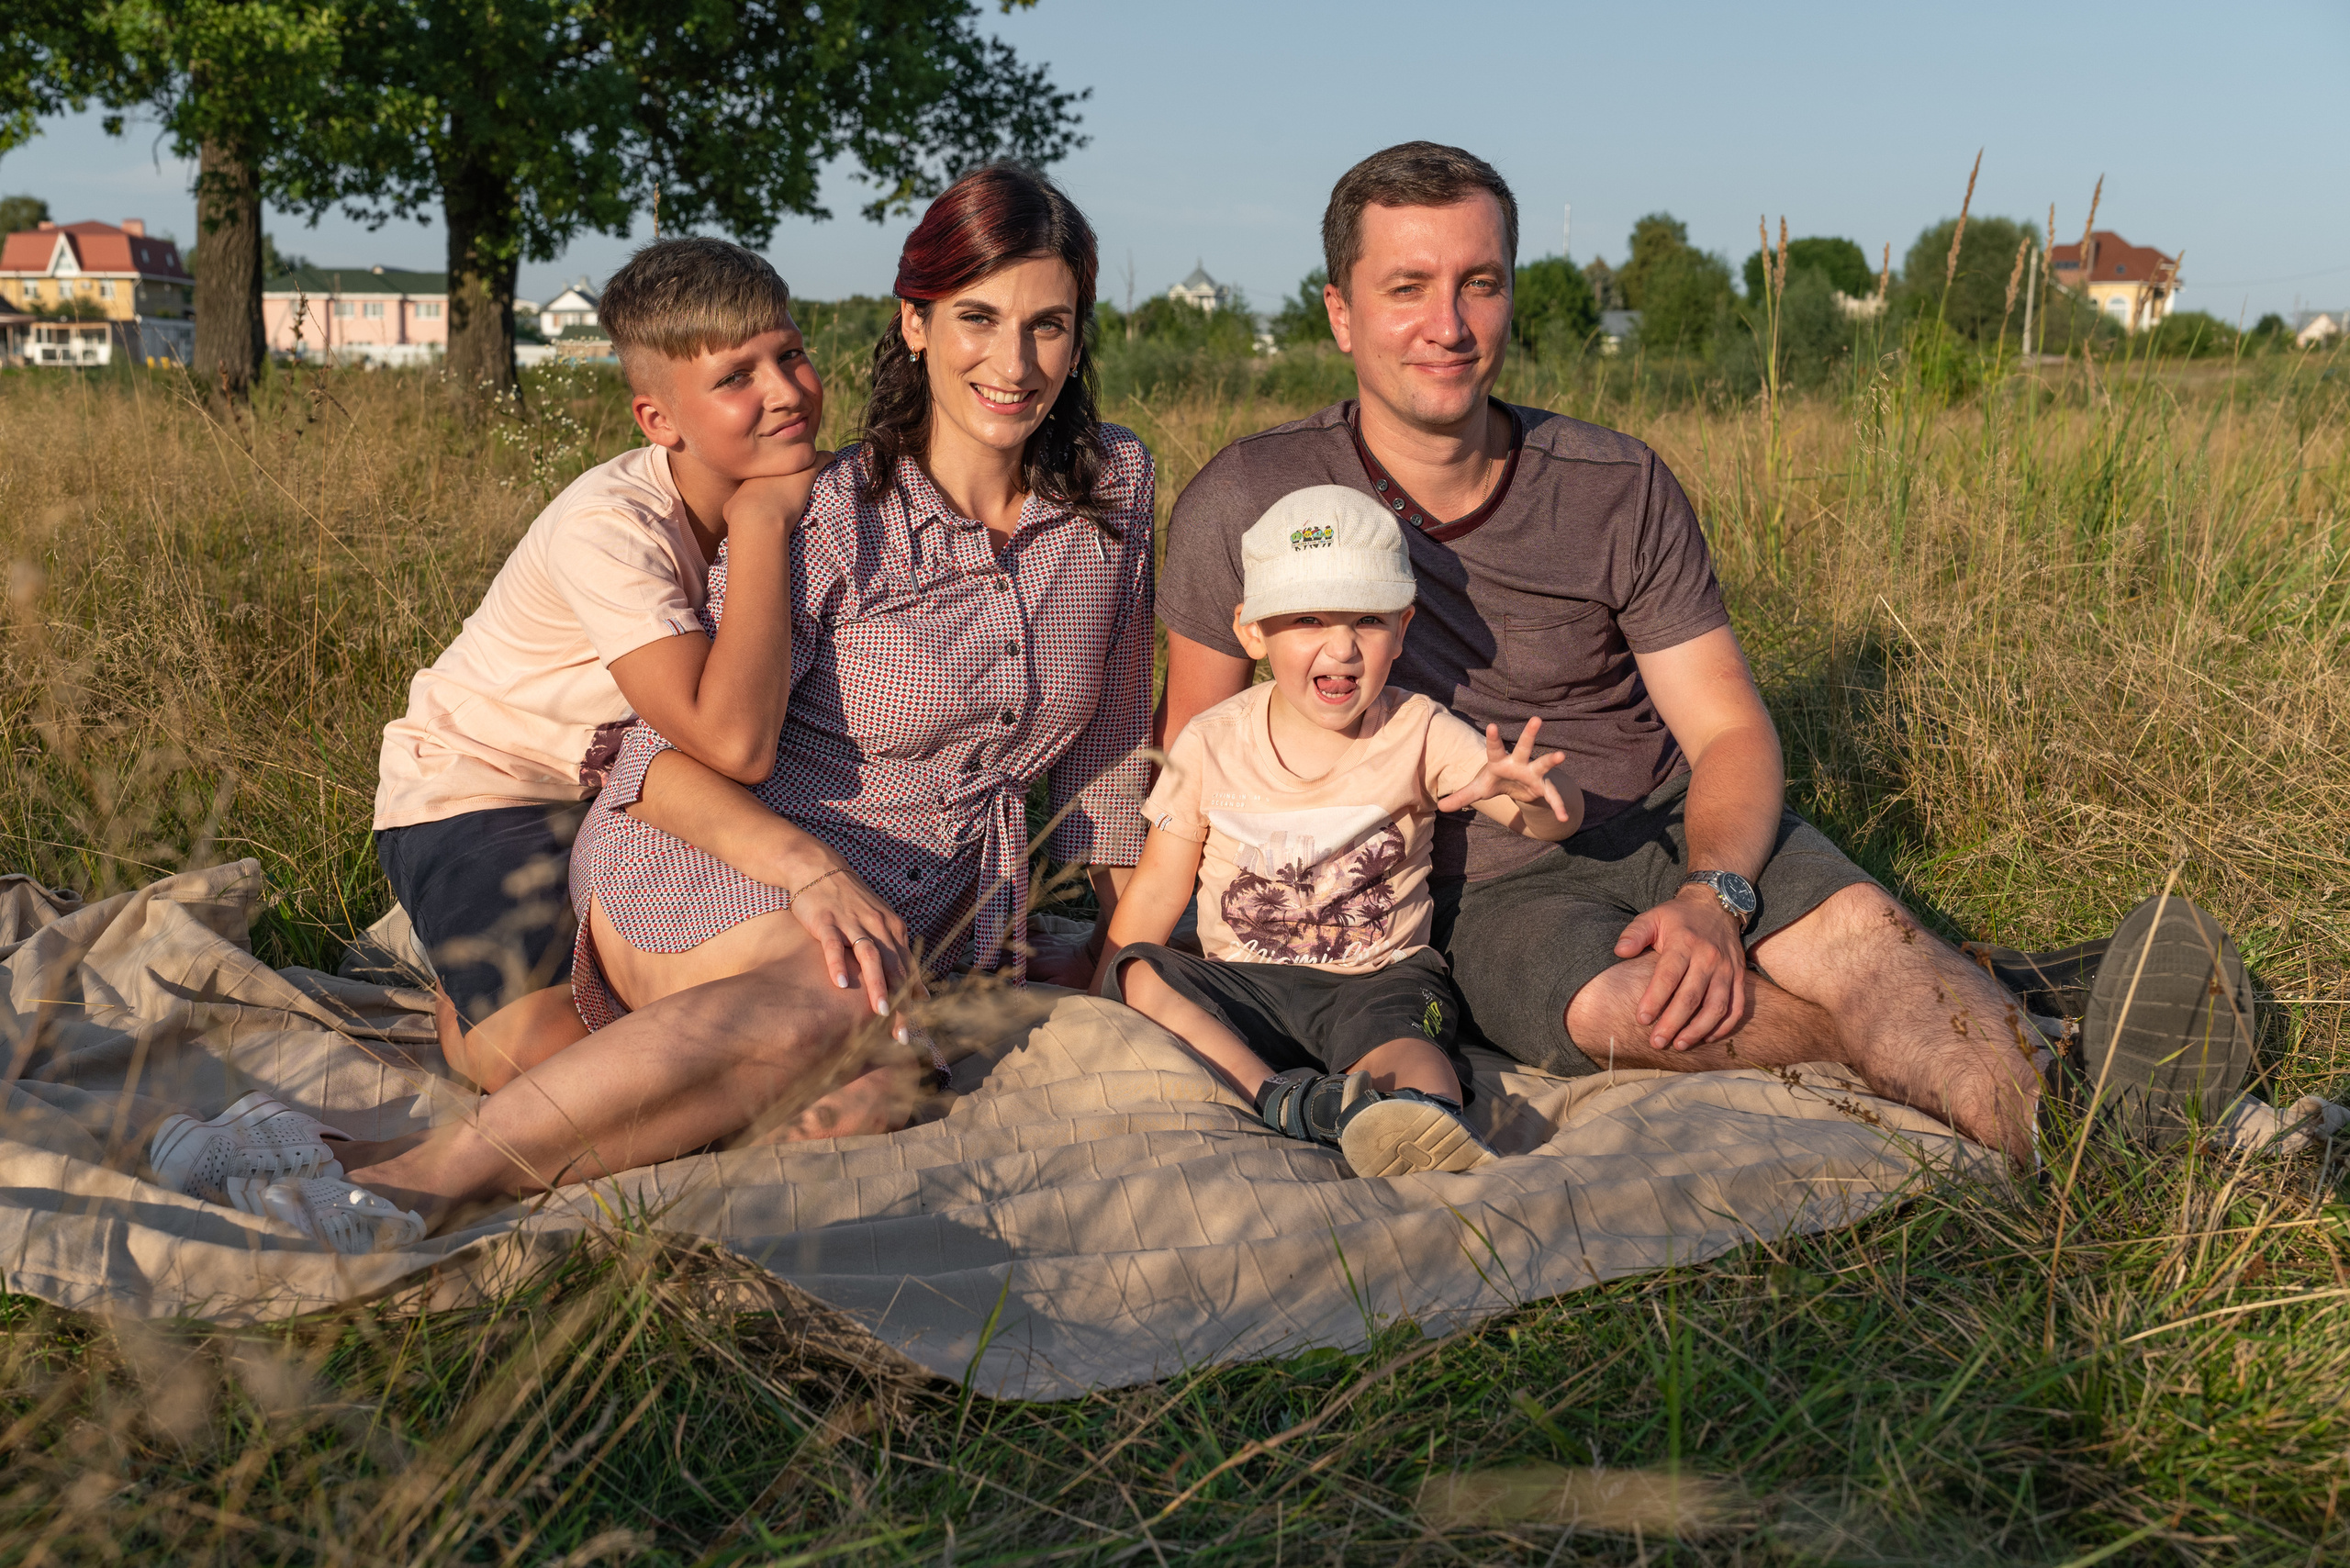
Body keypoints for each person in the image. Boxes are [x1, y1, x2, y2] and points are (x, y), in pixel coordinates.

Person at [1154, 142, 2253, 1169]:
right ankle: (2064, 1042)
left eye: (1479, 283)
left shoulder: (1612, 482)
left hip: (1677, 820)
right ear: (1340, 313)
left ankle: (2095, 1145)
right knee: (1643, 1013)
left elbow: (1725, 727)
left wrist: (1714, 896)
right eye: (1406, 288)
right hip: (1489, 893)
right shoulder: (1250, 503)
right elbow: (1197, 764)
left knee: (1864, 937)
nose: (1447, 323)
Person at [201, 161, 1153, 1254]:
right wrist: (811, 868)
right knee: (833, 1003)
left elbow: (1114, 743)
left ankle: (338, 1149)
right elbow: (657, 753)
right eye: (978, 318)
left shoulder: (1118, 486)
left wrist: (1117, 952)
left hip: (929, 888)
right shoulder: (823, 510)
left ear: (1081, 337)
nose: (1014, 361)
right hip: (702, 841)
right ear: (917, 324)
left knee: (857, 1105)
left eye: (1050, 325)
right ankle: (423, 1182)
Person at [372, 238, 826, 1074]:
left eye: (790, 354)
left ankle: (519, 964)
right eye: (735, 378)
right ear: (659, 420)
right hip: (485, 790)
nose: (785, 392)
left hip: (630, 793)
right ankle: (465, 982)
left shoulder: (817, 489)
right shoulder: (611, 527)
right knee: (545, 1070)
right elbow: (733, 742)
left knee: (750, 1006)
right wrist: (762, 521)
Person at [1098, 487, 1580, 1177]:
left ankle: (1416, 1117)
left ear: (1404, 629)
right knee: (1143, 971)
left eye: (1367, 620)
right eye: (1309, 619)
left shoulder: (1418, 730)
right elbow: (1155, 892)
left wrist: (1534, 791)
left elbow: (1554, 820)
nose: (1342, 646)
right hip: (1245, 984)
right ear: (1252, 631)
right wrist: (1103, 995)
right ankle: (1286, 1099)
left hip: (1378, 978)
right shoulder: (1210, 742)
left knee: (1411, 1041)